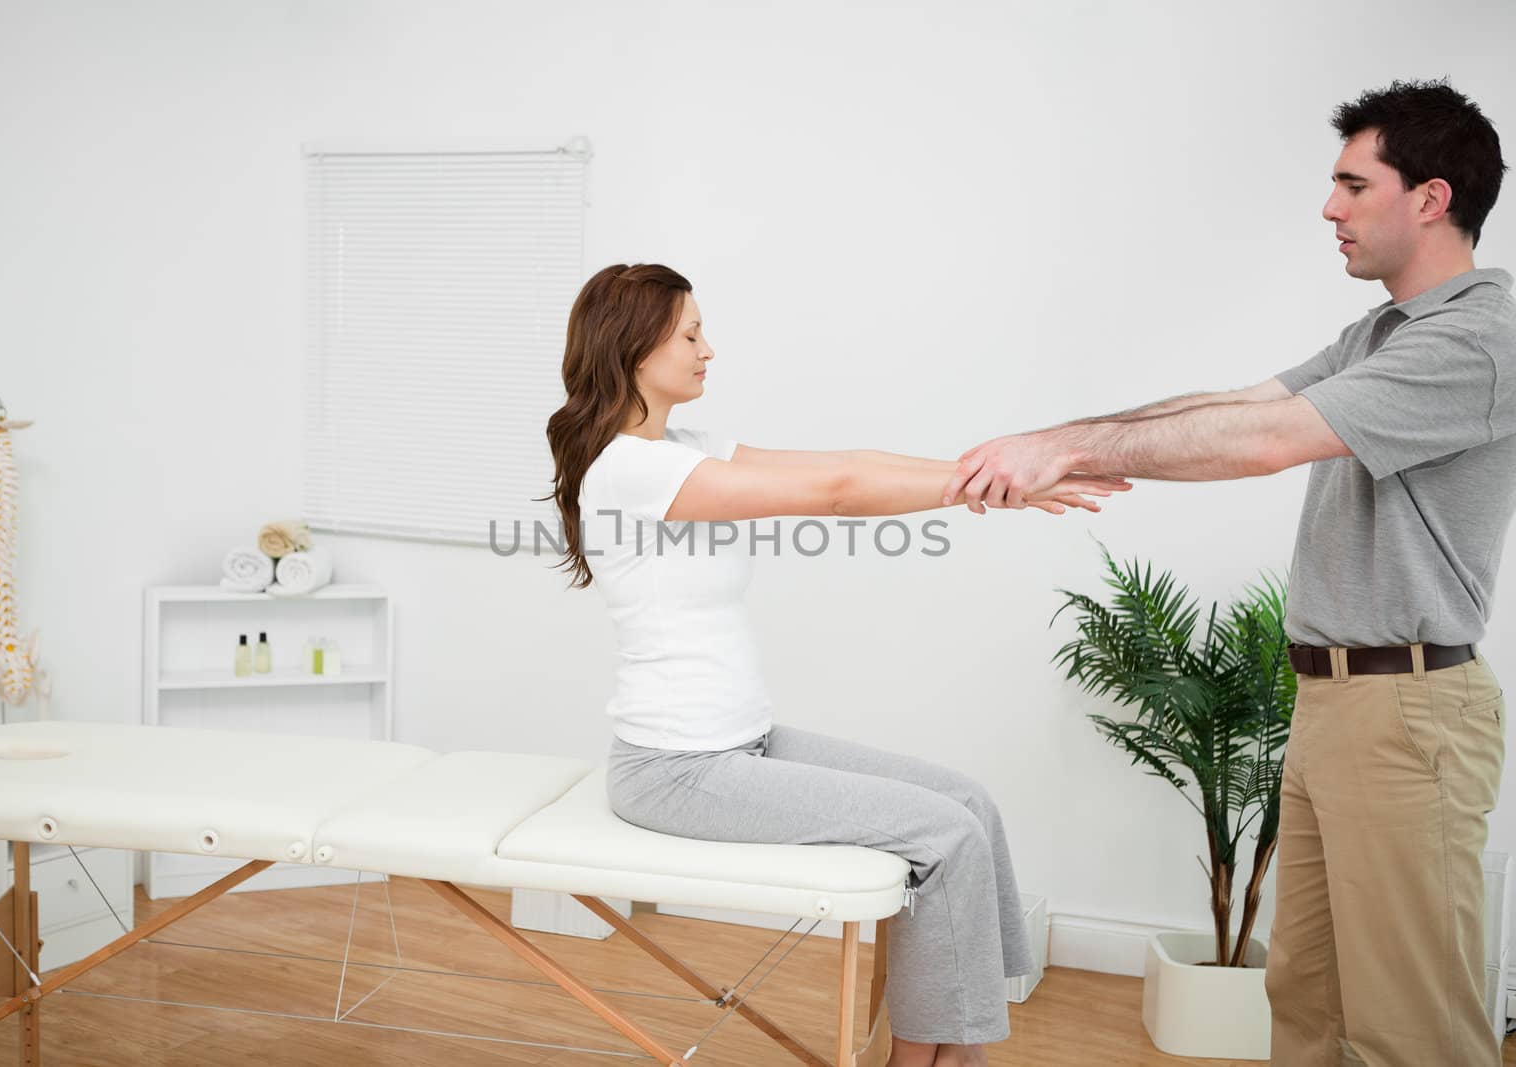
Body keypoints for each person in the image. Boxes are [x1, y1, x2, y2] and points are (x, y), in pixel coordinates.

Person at [942, 79, 1510, 1066]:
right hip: (1336, 703)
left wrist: (1064, 447)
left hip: (1408, 710)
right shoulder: (1380, 332)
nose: (1328, 207)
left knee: (1408, 1027)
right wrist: (1062, 441)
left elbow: (1264, 439)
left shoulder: (1479, 334)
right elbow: (1236, 400)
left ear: (1429, 196)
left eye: (1350, 182)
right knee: (1307, 999)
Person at [544, 263, 1129, 1066]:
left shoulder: (683, 447)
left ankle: (957, 1039)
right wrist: (993, 490)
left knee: (966, 801)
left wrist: (997, 483)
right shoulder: (632, 469)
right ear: (634, 346)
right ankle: (931, 1060)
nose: (709, 350)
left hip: (739, 743)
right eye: (690, 333)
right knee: (942, 835)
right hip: (677, 770)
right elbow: (838, 492)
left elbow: (845, 460)